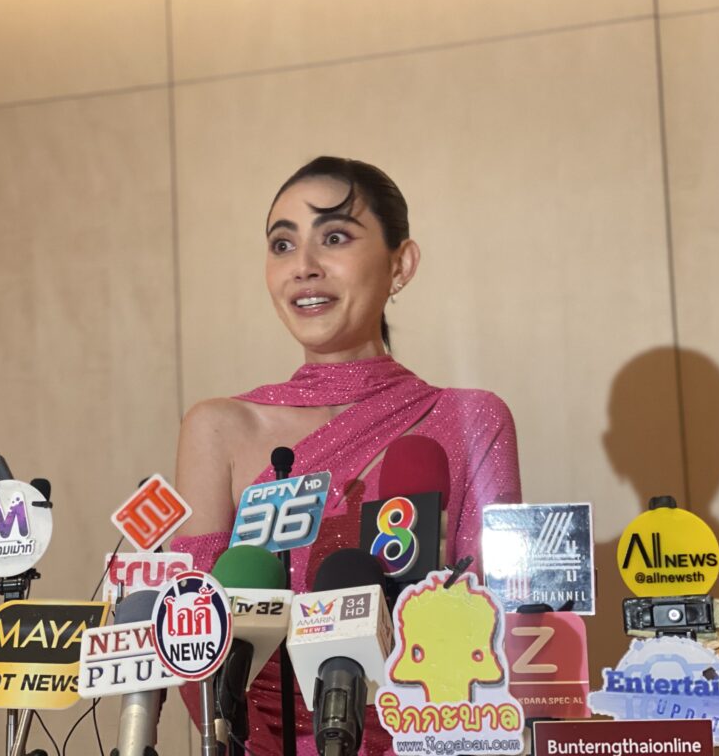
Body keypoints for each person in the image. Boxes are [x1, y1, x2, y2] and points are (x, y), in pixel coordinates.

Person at [170, 156, 521, 755]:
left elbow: (496, 629)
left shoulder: (471, 420)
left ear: (400, 264)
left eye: (334, 237)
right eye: (282, 245)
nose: (303, 266)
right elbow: (194, 649)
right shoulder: (218, 428)